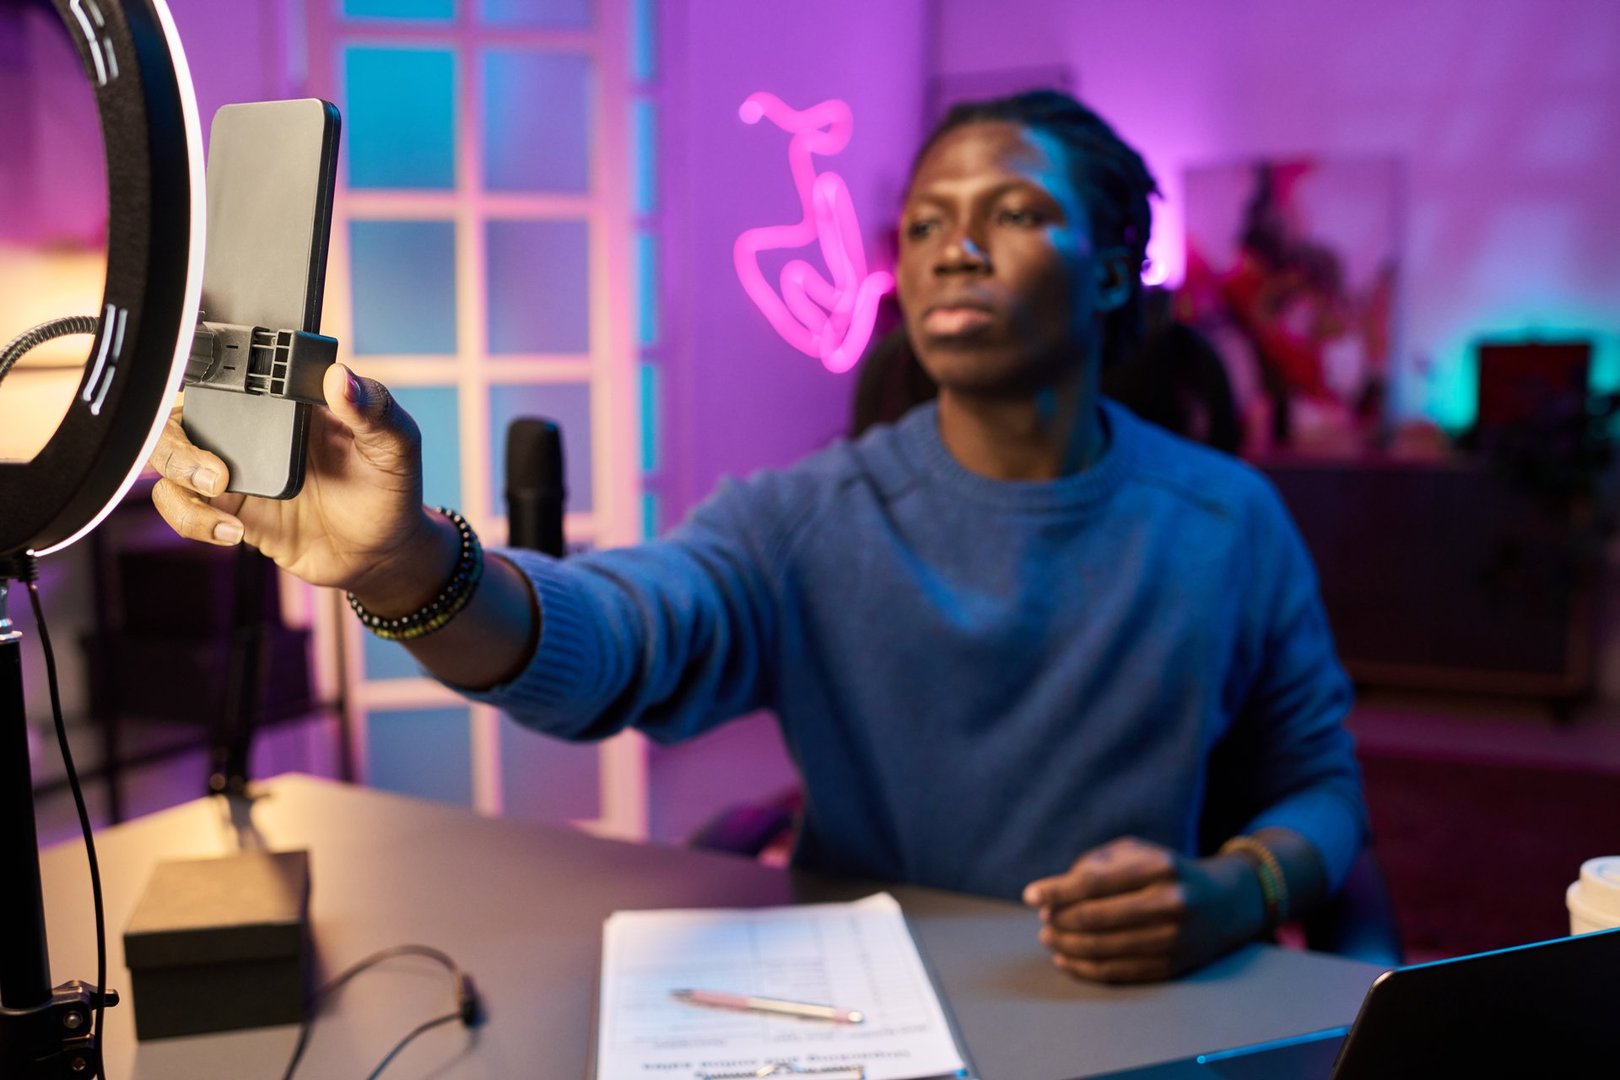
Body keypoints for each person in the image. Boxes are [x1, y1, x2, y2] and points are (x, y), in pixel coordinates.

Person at [149, 89, 1366, 985]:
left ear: (1111, 274)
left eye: (1014, 212)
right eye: (928, 219)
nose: (955, 241)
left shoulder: (1229, 519)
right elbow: (619, 635)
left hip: (1147, 1007)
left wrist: (1240, 885)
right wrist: (408, 563)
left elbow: (1318, 789)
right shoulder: (806, 517)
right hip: (874, 1003)